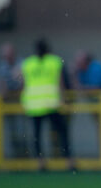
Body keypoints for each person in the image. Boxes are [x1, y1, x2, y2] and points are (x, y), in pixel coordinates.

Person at [20, 39, 72, 170]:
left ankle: (40, 162)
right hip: (51, 102)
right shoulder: (54, 62)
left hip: (34, 104)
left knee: (37, 135)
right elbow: (61, 83)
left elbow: (22, 82)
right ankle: (68, 160)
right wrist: (64, 98)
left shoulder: (28, 63)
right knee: (62, 131)